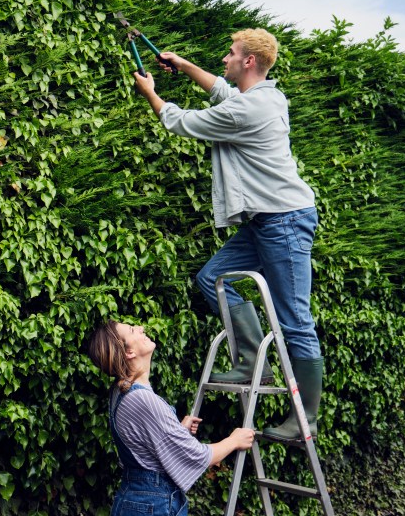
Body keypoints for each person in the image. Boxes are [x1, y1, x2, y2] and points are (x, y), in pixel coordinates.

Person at [132, 28, 322, 442]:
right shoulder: (265, 97)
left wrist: (150, 91)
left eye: (231, 53)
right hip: (266, 220)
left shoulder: (249, 111)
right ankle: (255, 359)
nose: (225, 58)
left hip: (285, 219)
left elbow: (181, 121)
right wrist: (181, 66)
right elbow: (221, 90)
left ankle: (306, 417)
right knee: (213, 279)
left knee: (295, 321)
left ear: (249, 61)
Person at [87, 320, 255, 516]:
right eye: (131, 330)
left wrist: (176, 429)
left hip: (134, 504)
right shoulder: (143, 399)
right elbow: (199, 456)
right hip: (151, 509)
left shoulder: (121, 391)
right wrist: (234, 440)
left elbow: (145, 440)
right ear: (128, 352)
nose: (140, 328)